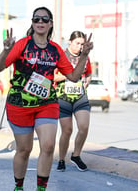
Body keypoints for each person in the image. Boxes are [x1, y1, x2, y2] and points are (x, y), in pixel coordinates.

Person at [0, 7, 93, 191]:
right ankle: (19, 186)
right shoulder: (22, 45)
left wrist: (84, 55)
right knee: (24, 149)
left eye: (44, 19)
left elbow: (73, 76)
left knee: (47, 146)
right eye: (36, 19)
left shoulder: (55, 50)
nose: (40, 22)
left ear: (50, 24)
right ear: (32, 23)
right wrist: (6, 50)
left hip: (46, 103)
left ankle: (41, 189)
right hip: (20, 104)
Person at [54, 31, 92, 172]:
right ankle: (62, 159)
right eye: (77, 43)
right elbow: (53, 77)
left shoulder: (85, 57)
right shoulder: (61, 55)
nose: (80, 47)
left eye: (82, 44)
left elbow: (88, 73)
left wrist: (87, 81)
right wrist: (70, 76)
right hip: (63, 97)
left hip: (80, 96)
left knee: (84, 127)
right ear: (70, 42)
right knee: (67, 130)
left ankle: (76, 155)